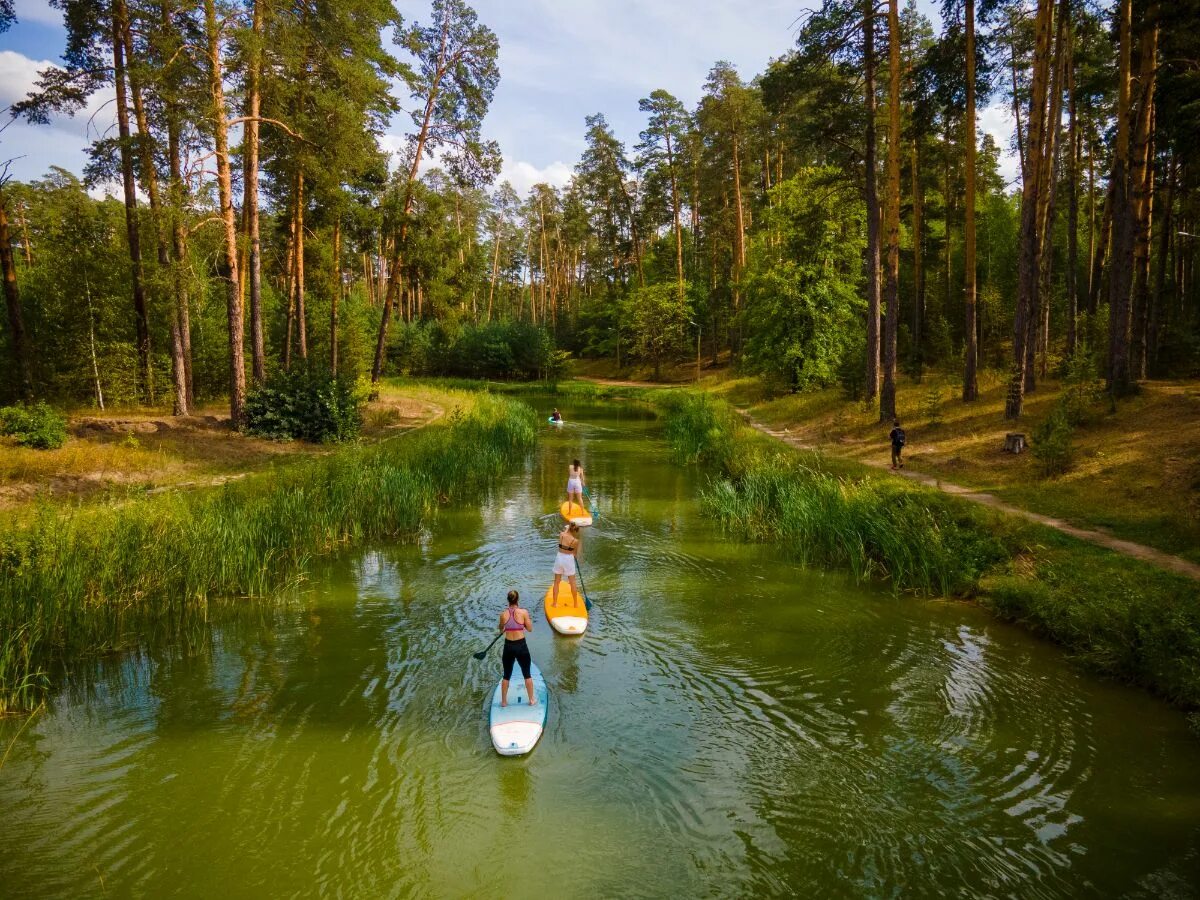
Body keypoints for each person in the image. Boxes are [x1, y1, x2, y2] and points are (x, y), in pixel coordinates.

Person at [499, 590, 535, 707]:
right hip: (521, 646)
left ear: (508, 600)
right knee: (527, 674)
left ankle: (504, 702)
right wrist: (524, 623)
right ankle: (531, 700)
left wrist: (505, 626)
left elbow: (501, 629)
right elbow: (530, 629)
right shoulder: (524, 612)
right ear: (517, 600)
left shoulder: (503, 615)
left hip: (508, 646)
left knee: (506, 675)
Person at [551, 521, 581, 608]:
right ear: (575, 531)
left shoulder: (562, 535)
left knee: (556, 582)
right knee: (572, 582)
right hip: (569, 559)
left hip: (559, 557)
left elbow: (565, 532)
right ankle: (575, 604)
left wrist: (567, 529)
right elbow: (574, 554)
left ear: (568, 528)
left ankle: (554, 603)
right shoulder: (575, 541)